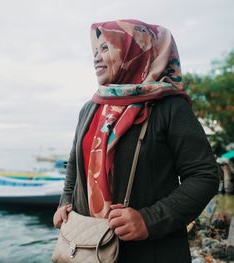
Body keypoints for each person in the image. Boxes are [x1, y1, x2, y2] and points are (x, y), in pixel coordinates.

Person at [53, 19, 219, 263]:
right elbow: (75, 166)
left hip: (150, 253)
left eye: (106, 48)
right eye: (95, 51)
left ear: (135, 52)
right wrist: (65, 201)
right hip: (87, 247)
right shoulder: (91, 108)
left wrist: (149, 219)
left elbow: (204, 175)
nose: (96, 58)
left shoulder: (169, 107)